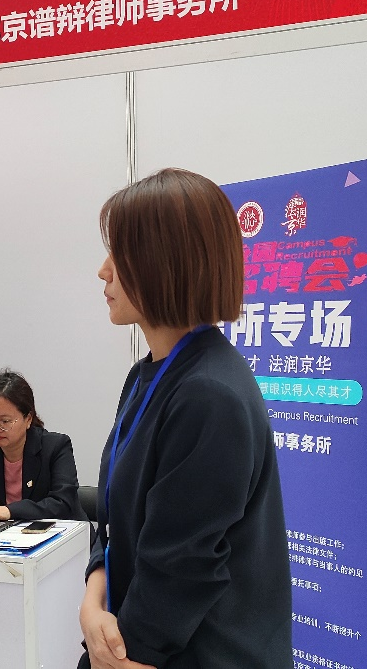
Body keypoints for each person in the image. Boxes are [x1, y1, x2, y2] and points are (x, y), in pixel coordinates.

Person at [79, 168, 292, 669]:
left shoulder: (208, 395)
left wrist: (122, 653)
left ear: (162, 263)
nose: (103, 271)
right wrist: (93, 598)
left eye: (119, 255)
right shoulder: (147, 376)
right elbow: (117, 518)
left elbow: (183, 565)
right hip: (138, 637)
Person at [0, 369, 84, 522]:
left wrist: (10, 511)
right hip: (8, 534)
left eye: (5, 421)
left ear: (28, 419)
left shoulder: (55, 446)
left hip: (63, 532)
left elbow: (62, 503)